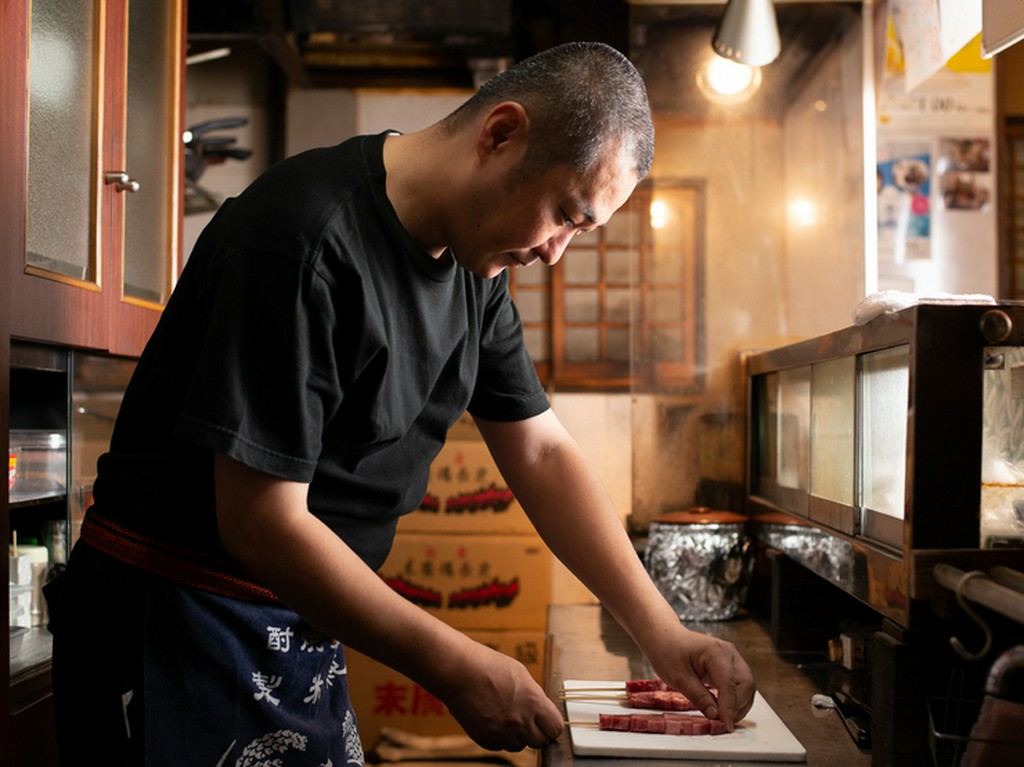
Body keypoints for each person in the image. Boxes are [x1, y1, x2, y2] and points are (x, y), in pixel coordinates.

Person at [45, 40, 755, 766]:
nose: (555, 253)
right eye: (565, 215)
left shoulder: (475, 266)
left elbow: (540, 448)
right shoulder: (303, 238)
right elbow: (260, 522)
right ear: (500, 134)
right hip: (176, 620)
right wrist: (455, 663)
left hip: (294, 622)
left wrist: (663, 632)